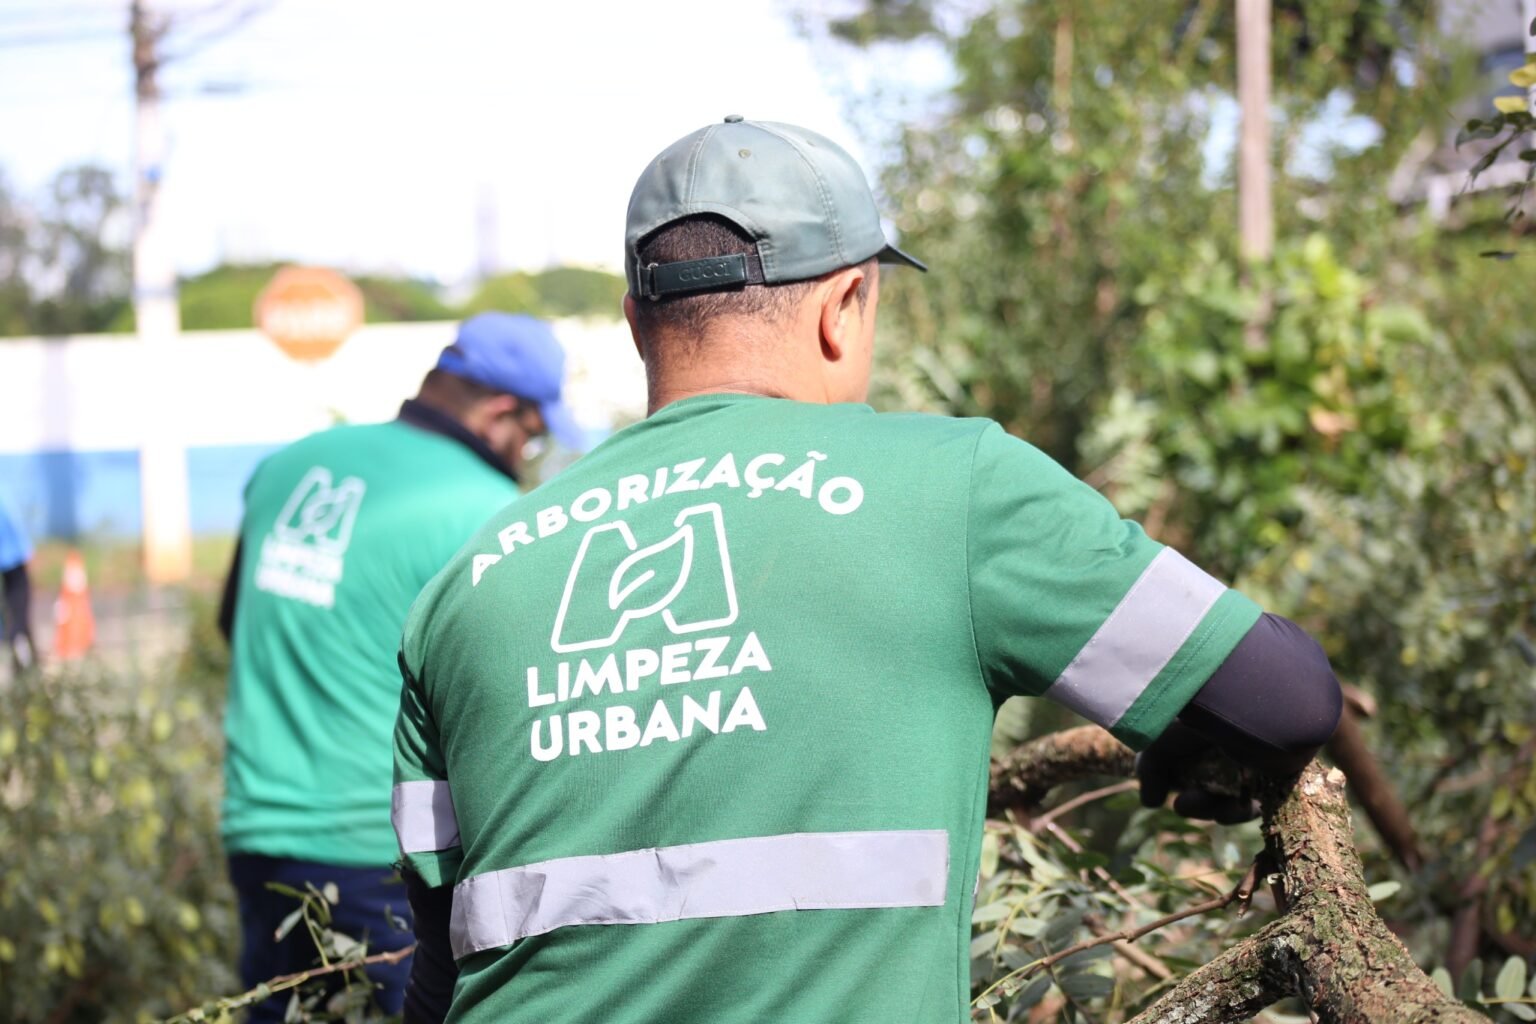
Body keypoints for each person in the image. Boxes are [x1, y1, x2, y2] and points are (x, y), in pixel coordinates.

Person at [390, 117, 1342, 1024]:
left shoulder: (467, 581)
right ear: (846, 305)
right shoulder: (958, 490)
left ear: (639, 322)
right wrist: (1186, 740)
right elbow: (1287, 696)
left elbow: (441, 959)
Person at [219, 312, 583, 1021]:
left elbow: (233, 624)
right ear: (500, 413)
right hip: (374, 857)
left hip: (254, 834)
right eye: (533, 435)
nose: (528, 453)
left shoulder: (289, 466)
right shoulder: (488, 513)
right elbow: (511, 705)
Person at [0, 493, 35, 675]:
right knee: (17, 615)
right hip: (13, 561)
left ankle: (26, 665)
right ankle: (23, 662)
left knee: (17, 617)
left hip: (13, 562)